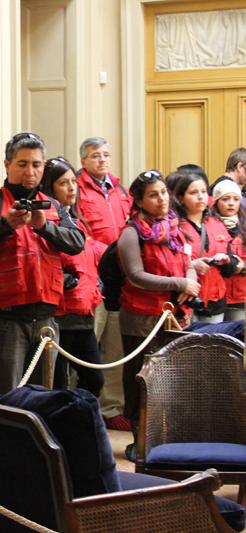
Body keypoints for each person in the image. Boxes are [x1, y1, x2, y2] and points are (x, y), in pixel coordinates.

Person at [0, 132, 84, 396]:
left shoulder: (53, 206)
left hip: (46, 316)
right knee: (6, 396)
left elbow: (77, 242)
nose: (29, 171)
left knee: (41, 396)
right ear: (7, 165)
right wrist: (6, 225)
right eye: (22, 164)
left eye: (36, 164)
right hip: (5, 318)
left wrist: (44, 227)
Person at [117, 170, 199, 461]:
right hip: (142, 319)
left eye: (164, 192)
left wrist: (189, 279)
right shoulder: (131, 233)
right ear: (139, 201)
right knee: (140, 380)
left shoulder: (174, 227)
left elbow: (188, 260)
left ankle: (165, 438)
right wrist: (179, 283)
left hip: (176, 316)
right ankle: (139, 439)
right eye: (153, 194)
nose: (162, 199)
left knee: (172, 380)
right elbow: (136, 275)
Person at [76, 136, 131, 431]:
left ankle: (111, 407)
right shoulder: (77, 190)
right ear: (84, 160)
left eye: (106, 155)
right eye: (96, 155)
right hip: (92, 273)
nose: (102, 160)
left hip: (118, 276)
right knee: (87, 346)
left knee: (114, 345)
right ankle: (80, 404)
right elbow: (81, 235)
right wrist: (110, 253)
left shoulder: (120, 189)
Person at [40, 157, 105, 398]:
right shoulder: (45, 220)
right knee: (56, 383)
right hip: (61, 314)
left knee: (94, 378)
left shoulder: (77, 221)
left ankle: (75, 417)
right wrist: (67, 280)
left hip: (84, 311)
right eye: (63, 183)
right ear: (49, 187)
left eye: (73, 182)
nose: (71, 188)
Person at [172, 172, 235, 323]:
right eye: (193, 192)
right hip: (186, 302)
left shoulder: (217, 224)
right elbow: (166, 266)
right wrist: (191, 266)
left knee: (215, 345)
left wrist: (226, 261)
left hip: (215, 302)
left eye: (203, 192)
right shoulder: (174, 227)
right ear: (181, 198)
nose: (200, 197)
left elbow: (230, 269)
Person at [212, 179, 246, 321]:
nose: (231, 203)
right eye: (225, 199)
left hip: (240, 295)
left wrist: (243, 268)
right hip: (215, 296)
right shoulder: (209, 226)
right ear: (216, 202)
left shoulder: (244, 227)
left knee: (236, 339)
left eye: (236, 199)